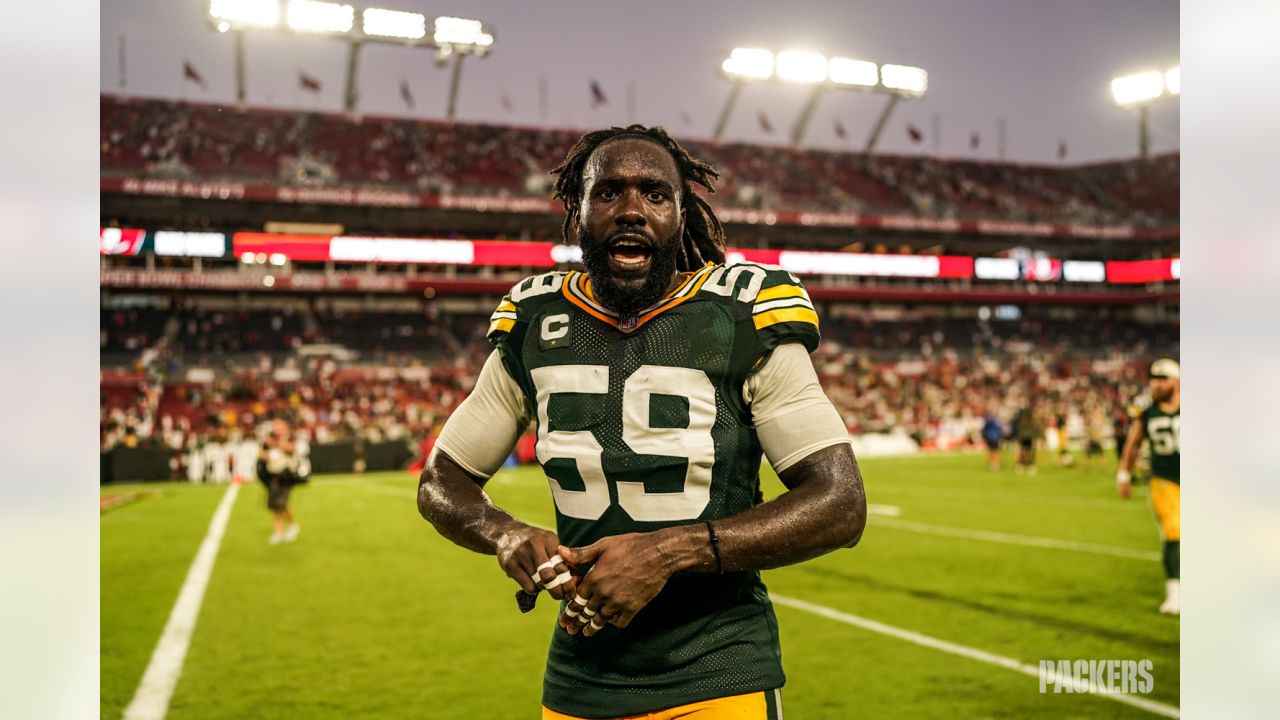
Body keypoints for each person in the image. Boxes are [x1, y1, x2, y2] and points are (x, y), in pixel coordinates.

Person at [417, 125, 866, 720]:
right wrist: (506, 534)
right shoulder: (535, 321)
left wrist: (669, 553)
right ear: (576, 213)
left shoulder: (743, 314)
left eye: (655, 194)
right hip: (579, 676)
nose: (631, 210)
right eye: (608, 193)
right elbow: (439, 482)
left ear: (682, 214)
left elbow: (840, 501)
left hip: (717, 671)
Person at [1116, 358, 1180, 615]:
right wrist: (1124, 473)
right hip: (1164, 479)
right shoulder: (1146, 409)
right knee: (1174, 532)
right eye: (1154, 379)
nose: (1156, 384)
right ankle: (1175, 592)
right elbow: (1133, 442)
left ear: (1176, 382)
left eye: (1163, 379)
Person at [259, 418, 303, 545]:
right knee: (274, 507)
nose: (276, 429)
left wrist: (277, 442)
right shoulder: (268, 441)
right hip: (272, 476)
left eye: (278, 426)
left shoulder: (288, 438)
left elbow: (290, 449)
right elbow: (262, 455)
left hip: (284, 477)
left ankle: (292, 525)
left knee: (282, 504)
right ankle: (278, 531)